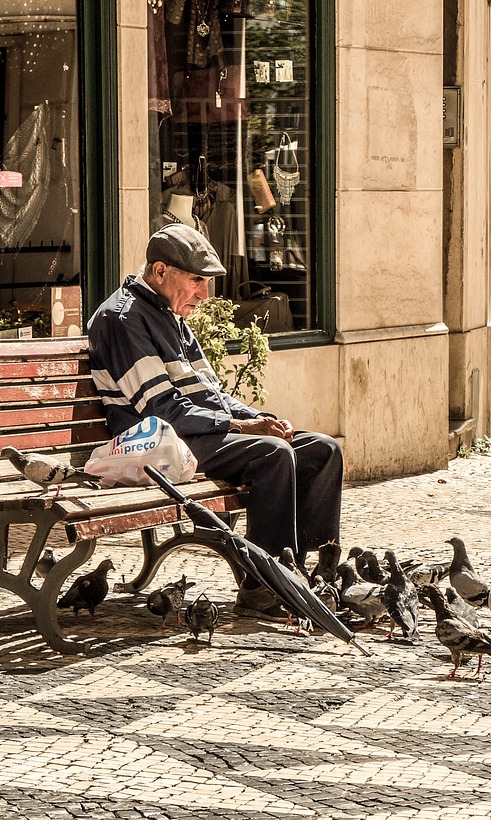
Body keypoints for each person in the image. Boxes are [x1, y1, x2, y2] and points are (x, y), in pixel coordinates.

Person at [87, 223, 343, 618]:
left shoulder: (168, 313)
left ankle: (308, 575)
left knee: (322, 450)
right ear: (160, 272)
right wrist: (244, 428)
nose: (204, 295)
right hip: (154, 446)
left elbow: (211, 394)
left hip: (189, 434)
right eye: (196, 281)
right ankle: (264, 587)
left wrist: (257, 417)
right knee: (271, 455)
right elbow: (160, 410)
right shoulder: (124, 319)